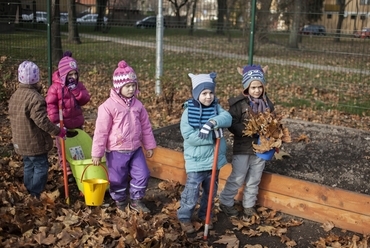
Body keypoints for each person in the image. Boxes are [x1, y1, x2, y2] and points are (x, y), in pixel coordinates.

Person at [91, 60, 156, 214]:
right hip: (116, 151)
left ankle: (136, 200)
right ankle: (120, 201)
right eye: (127, 86)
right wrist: (97, 153)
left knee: (143, 174)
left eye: (134, 85)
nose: (131, 89)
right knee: (117, 179)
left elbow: (146, 126)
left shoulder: (138, 106)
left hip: (135, 149)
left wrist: (149, 145)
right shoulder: (107, 107)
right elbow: (101, 132)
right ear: (118, 87)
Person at [177, 72, 232, 234]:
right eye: (204, 93)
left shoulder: (216, 108)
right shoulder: (188, 112)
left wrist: (212, 122)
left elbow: (227, 118)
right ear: (196, 94)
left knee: (210, 192)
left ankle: (204, 215)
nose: (208, 97)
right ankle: (184, 217)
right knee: (192, 192)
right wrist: (212, 136)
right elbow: (190, 137)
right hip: (196, 161)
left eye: (211, 93)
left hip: (213, 162)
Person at [219, 64, 274, 219]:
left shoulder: (268, 105)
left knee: (254, 178)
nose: (257, 90)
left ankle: (249, 206)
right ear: (246, 88)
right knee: (238, 176)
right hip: (243, 148)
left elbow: (273, 123)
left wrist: (273, 135)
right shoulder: (238, 105)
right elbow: (231, 123)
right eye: (253, 87)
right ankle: (225, 201)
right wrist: (247, 130)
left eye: (259, 87)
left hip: (262, 149)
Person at [8, 61, 66, 199]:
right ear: (36, 79)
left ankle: (29, 188)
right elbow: (42, 121)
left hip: (20, 140)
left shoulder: (15, 95)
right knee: (41, 166)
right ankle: (35, 192)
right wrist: (58, 131)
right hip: (34, 142)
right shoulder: (35, 98)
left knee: (28, 164)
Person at [45, 51, 91, 183]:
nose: (73, 77)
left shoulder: (78, 86)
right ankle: (67, 171)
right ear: (64, 74)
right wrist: (55, 122)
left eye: (75, 74)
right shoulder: (55, 88)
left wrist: (76, 91)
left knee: (77, 146)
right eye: (70, 74)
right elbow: (50, 104)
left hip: (76, 123)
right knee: (63, 149)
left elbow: (85, 99)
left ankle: (79, 167)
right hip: (62, 124)